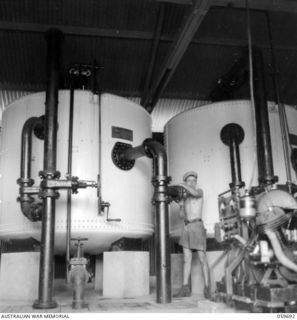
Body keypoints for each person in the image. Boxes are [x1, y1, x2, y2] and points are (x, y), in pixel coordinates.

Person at [174, 171, 211, 299]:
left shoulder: (199, 192)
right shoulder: (185, 198)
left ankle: (207, 288)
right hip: (186, 227)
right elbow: (181, 216)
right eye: (189, 181)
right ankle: (185, 288)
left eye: (193, 181)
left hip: (197, 226)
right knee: (186, 259)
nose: (192, 183)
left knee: (202, 259)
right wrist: (180, 206)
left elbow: (194, 192)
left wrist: (181, 185)